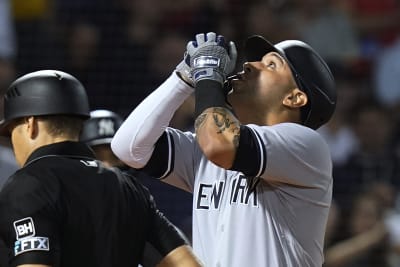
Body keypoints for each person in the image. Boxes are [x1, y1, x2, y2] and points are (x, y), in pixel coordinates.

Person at [111, 31, 337, 267]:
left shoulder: (307, 146)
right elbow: (128, 148)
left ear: (294, 98)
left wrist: (208, 75)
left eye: (271, 64)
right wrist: (184, 78)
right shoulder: (213, 145)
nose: (250, 64)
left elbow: (220, 146)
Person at [0, 70, 203, 267]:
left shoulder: (29, 184)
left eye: (11, 131)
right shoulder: (128, 187)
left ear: (30, 124)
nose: (12, 141)